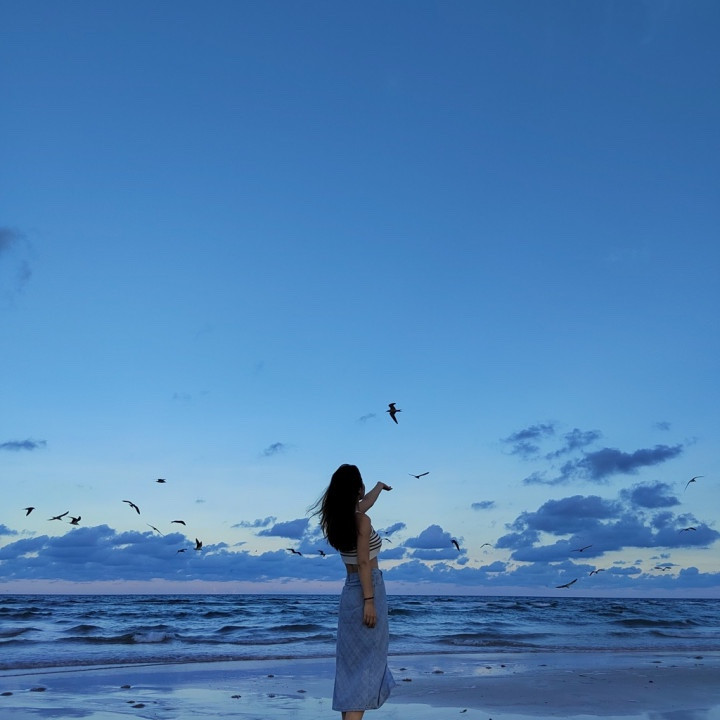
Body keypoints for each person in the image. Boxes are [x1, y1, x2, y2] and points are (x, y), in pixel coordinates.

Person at [313, 464, 396, 719]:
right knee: (367, 667)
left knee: (351, 669)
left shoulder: (341, 519)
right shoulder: (361, 520)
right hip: (368, 588)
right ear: (357, 489)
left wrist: (379, 487)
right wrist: (369, 600)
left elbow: (366, 503)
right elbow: (363, 562)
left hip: (349, 591)